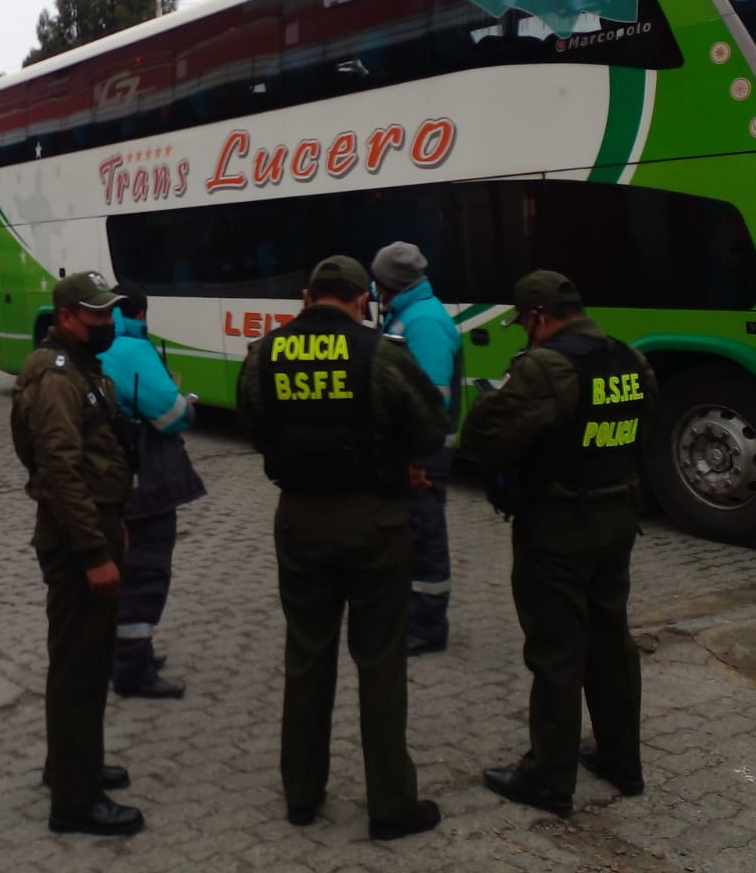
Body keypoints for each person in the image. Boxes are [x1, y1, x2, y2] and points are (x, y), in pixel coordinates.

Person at [236, 256, 447, 841]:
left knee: (306, 657)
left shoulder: (266, 353)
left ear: (307, 296)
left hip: (298, 519)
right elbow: (431, 429)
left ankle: (302, 795)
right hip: (375, 521)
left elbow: (254, 427)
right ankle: (390, 806)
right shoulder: (381, 352)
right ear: (360, 298)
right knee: (380, 662)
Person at [457, 270, 657, 817]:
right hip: (617, 519)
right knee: (611, 643)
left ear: (540, 316)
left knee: (557, 652)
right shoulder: (629, 359)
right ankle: (622, 762)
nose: (525, 331)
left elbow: (482, 438)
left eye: (524, 322)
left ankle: (548, 778)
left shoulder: (545, 367)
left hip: (559, 528)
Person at [11, 270, 145, 838]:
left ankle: (72, 765)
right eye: (96, 315)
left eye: (110, 313)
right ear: (67, 318)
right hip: (76, 541)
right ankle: (75, 802)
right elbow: (58, 469)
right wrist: (94, 550)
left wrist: (114, 526)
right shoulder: (56, 374)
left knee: (84, 661)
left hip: (95, 524)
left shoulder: (77, 366)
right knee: (79, 668)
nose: (107, 323)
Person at [99, 283, 206, 699]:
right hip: (143, 479)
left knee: (124, 568)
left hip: (112, 478)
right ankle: (132, 668)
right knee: (146, 571)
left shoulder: (99, 346)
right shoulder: (133, 350)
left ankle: (123, 653)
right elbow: (171, 414)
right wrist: (188, 406)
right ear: (140, 314)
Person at [371, 241, 462, 655]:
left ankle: (427, 626)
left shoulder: (423, 322)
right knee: (413, 531)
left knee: (425, 534)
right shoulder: (407, 314)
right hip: (415, 447)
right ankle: (414, 616)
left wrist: (413, 458)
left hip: (423, 451)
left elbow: (430, 398)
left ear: (391, 283)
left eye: (379, 282)